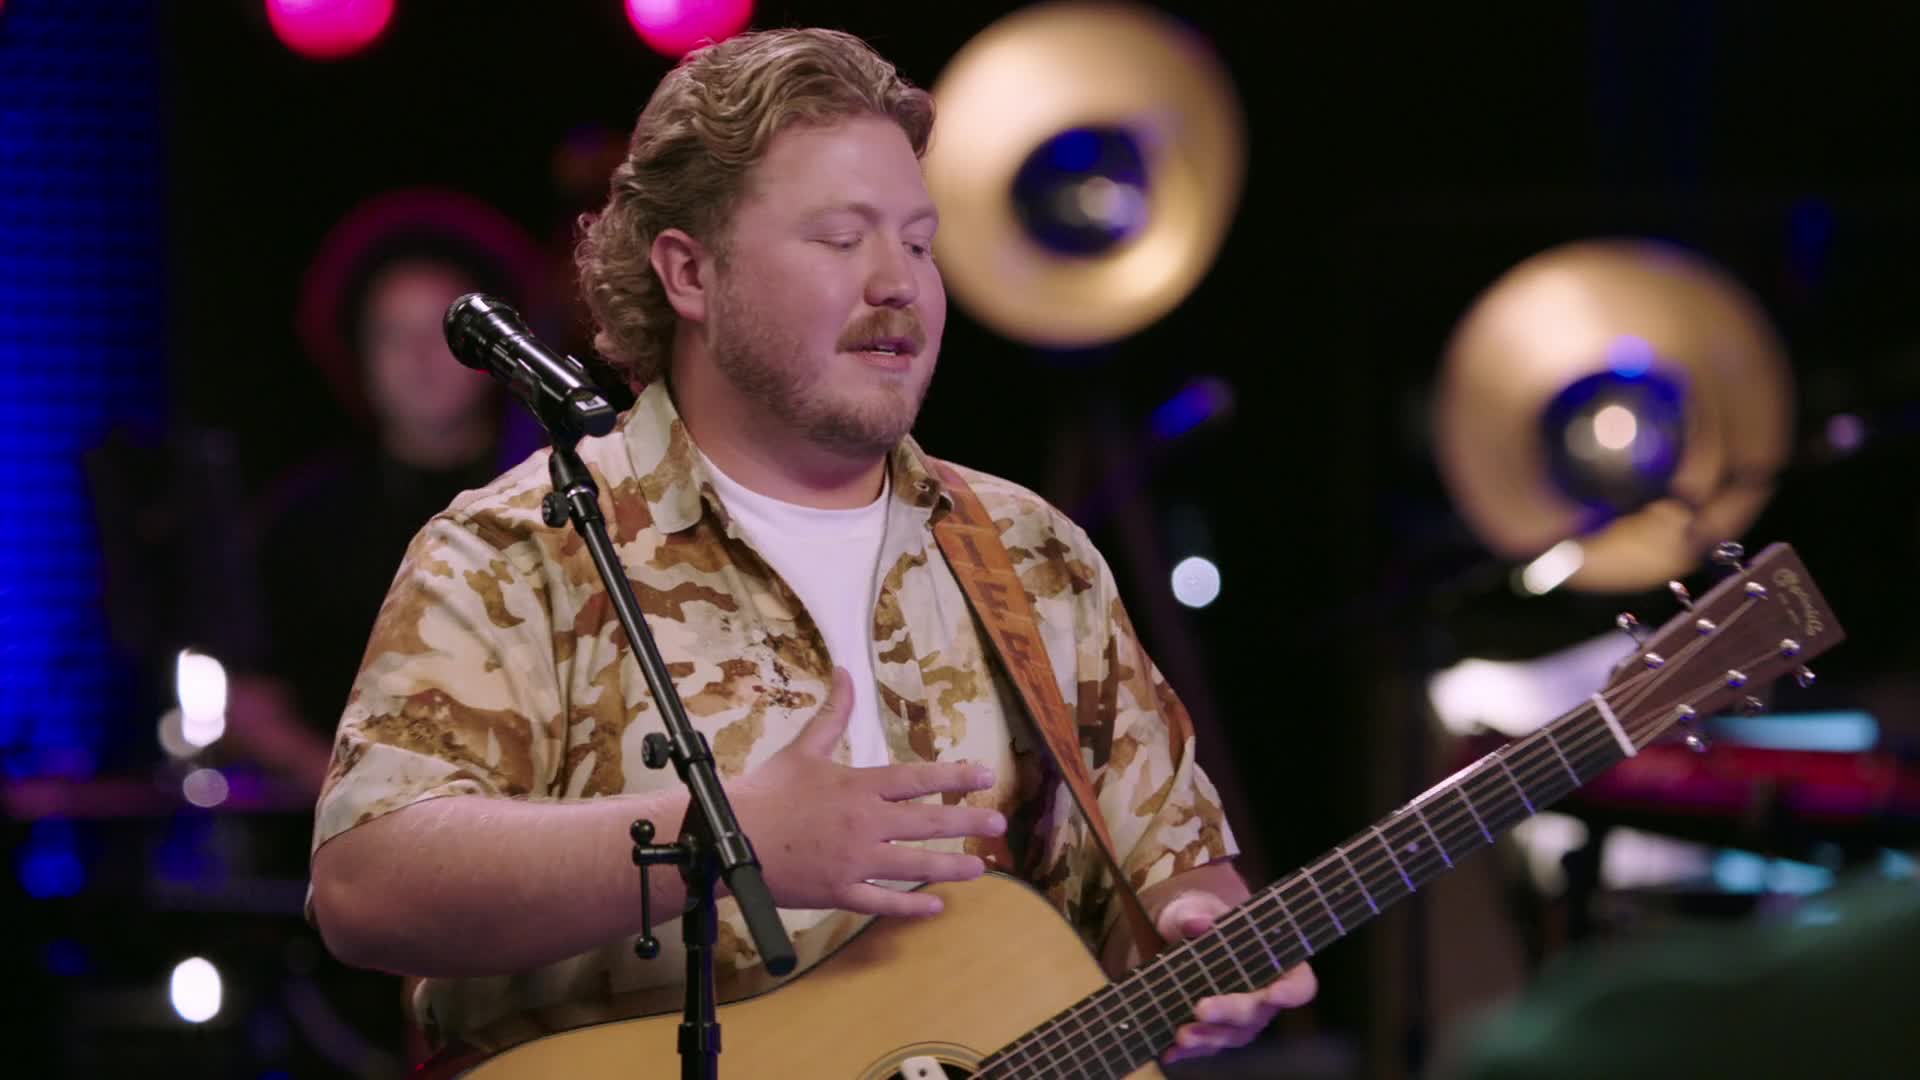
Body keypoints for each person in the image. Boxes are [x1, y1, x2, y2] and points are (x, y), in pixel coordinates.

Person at [306, 27, 1316, 1066]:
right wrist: (714, 841)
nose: (898, 284)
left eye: (918, 243)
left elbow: (1175, 875)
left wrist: (1194, 935)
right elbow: (367, 888)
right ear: (690, 273)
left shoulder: (1031, 554)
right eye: (841, 239)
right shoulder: (519, 550)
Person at [226, 193, 547, 798]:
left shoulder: (554, 499)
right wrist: (367, 797)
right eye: (392, 335)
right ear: (359, 353)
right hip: (340, 826)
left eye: (442, 335)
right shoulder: (302, 521)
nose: (420, 359)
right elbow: (251, 705)